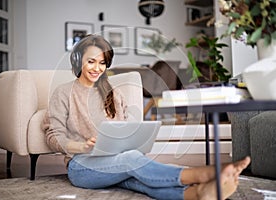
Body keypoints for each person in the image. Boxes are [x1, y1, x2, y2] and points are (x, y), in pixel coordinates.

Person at [42, 34, 250, 200]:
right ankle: (203, 174)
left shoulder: (113, 93)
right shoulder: (63, 93)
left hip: (115, 161)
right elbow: (53, 137)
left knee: (140, 179)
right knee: (133, 161)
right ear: (78, 61)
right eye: (91, 61)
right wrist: (82, 147)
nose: (97, 68)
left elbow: (123, 131)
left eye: (102, 63)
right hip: (82, 166)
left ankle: (197, 194)